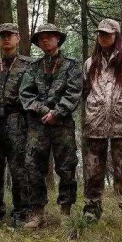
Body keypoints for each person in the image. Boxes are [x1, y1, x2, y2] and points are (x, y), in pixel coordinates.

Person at [19, 23, 83, 229]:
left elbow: (74, 92)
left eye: (50, 36)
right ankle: (37, 213)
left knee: (67, 165)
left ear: (58, 39)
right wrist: (44, 111)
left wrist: (57, 113)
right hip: (37, 124)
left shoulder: (72, 65)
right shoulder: (33, 67)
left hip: (62, 123)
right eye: (41, 37)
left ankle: (65, 211)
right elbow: (25, 94)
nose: (45, 40)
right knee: (32, 166)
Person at [81, 19, 122, 222]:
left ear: (116, 36)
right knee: (92, 170)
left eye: (107, 34)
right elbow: (84, 91)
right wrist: (93, 109)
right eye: (100, 34)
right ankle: (91, 209)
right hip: (94, 124)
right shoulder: (90, 63)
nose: (103, 37)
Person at [0, 23, 33, 223]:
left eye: (10, 35)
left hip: (17, 119)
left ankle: (21, 211)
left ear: (18, 38)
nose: (6, 39)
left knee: (18, 167)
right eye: (2, 36)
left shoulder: (29, 64)